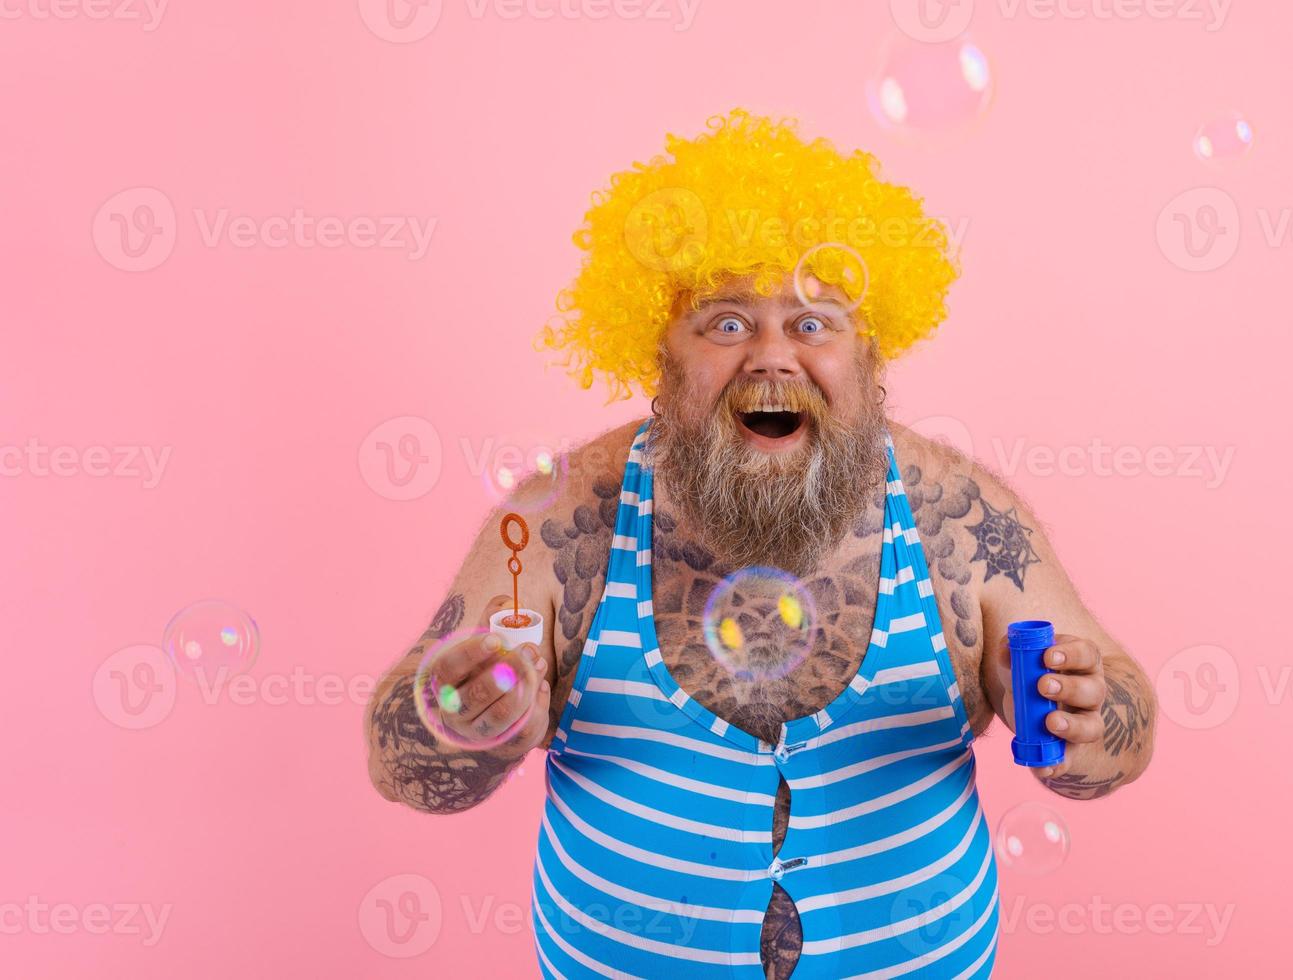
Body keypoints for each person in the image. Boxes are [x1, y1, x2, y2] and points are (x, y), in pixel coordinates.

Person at [364, 108, 1157, 979]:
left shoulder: (959, 520)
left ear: (871, 355)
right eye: (727, 323)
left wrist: (1086, 722)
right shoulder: (565, 526)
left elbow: (1113, 747)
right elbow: (405, 770)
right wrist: (454, 729)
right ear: (656, 354)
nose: (772, 357)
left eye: (814, 324)